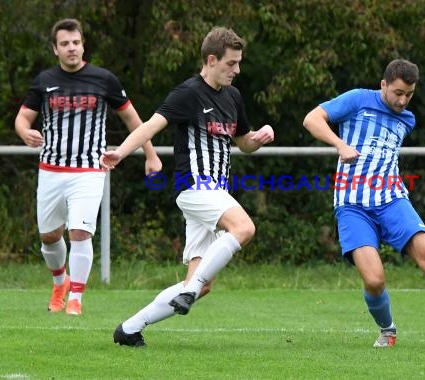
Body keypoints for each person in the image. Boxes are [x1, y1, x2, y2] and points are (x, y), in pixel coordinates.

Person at [303, 58, 425, 348]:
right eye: (397, 92)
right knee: (374, 280)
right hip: (352, 204)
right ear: (383, 84)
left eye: (409, 94)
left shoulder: (407, 119)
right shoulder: (358, 99)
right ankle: (387, 329)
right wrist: (340, 145)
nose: (402, 100)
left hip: (391, 198)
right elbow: (312, 119)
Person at [101, 26, 275, 347]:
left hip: (216, 192)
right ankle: (189, 290)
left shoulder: (233, 97)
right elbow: (150, 125)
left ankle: (128, 329)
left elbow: (244, 143)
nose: (237, 70)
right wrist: (121, 152)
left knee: (201, 283)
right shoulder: (188, 93)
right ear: (211, 59)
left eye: (238, 63)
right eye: (231, 63)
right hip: (194, 186)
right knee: (244, 228)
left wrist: (259, 138)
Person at [14, 18, 162, 316]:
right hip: (51, 170)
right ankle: (60, 283)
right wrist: (23, 131)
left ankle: (76, 300)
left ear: (83, 45)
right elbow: (22, 117)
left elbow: (134, 120)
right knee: (49, 237)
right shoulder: (44, 81)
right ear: (55, 49)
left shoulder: (103, 79)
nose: (72, 48)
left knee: (80, 232)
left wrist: (151, 155)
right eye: (65, 44)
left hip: (89, 171)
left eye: (76, 43)